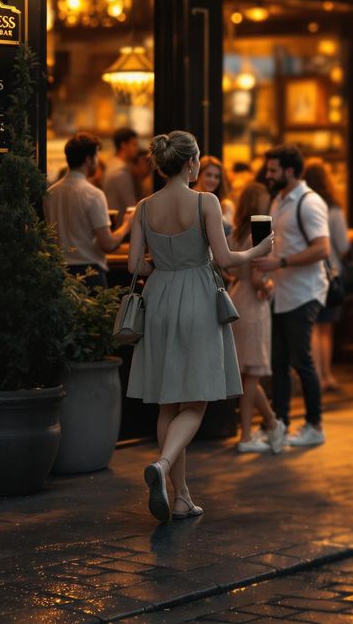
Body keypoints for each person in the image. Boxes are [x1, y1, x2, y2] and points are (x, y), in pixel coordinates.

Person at [127, 130, 276, 522]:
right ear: (191, 163)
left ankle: (181, 497)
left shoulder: (144, 206)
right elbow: (225, 260)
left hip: (158, 295)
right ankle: (162, 465)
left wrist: (161, 264)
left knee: (167, 401)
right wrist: (259, 250)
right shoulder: (205, 201)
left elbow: (133, 266)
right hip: (196, 294)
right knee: (196, 400)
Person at [264, 145, 331, 447]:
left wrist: (280, 263)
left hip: (303, 293)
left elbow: (322, 248)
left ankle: (314, 425)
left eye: (272, 170)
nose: (268, 175)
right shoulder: (278, 200)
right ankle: (280, 424)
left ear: (289, 172)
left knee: (301, 360)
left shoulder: (309, 202)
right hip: (280, 291)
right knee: (278, 361)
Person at [226, 183, 287, 454]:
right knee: (252, 376)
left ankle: (272, 424)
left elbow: (227, 266)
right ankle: (247, 435)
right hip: (254, 304)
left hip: (235, 299)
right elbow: (258, 278)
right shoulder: (260, 235)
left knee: (244, 375)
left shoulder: (236, 234)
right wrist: (270, 286)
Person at [45, 132, 137, 288]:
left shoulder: (51, 193)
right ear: (88, 160)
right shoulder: (93, 194)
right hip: (89, 274)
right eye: (96, 156)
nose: (97, 161)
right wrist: (127, 224)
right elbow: (107, 244)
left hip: (58, 273)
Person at [303, 157, 351, 393]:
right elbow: (342, 245)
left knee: (312, 325)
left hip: (307, 271)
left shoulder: (303, 206)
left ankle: (314, 376)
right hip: (331, 272)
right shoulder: (334, 208)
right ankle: (326, 375)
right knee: (326, 328)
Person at [103, 127, 142, 226]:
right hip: (120, 225)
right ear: (123, 145)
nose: (137, 148)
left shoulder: (110, 164)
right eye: (134, 144)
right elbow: (131, 207)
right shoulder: (121, 171)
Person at [196, 155, 234, 232]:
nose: (212, 180)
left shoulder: (225, 205)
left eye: (217, 177)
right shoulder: (189, 198)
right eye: (208, 175)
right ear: (199, 175)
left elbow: (230, 233)